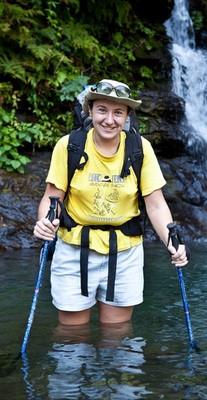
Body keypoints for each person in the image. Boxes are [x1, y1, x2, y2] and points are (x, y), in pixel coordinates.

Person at [33, 78, 189, 326]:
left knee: (117, 336)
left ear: (127, 116)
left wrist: (173, 243)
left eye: (118, 112)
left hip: (125, 252)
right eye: (102, 110)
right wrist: (45, 223)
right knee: (72, 336)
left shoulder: (140, 148)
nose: (109, 120)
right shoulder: (70, 145)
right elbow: (52, 199)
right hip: (74, 249)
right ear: (90, 111)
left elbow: (156, 204)